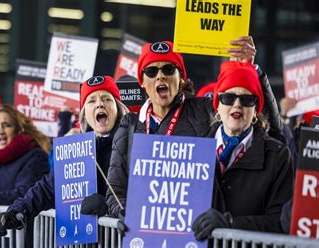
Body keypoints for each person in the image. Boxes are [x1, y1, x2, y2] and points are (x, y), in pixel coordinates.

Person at [106, 37, 283, 220]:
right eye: (151, 71)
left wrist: (250, 72)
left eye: (168, 69)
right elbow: (116, 189)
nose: (160, 76)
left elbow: (268, 129)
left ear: (181, 77)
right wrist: (127, 214)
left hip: (193, 233)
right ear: (142, 81)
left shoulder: (206, 110)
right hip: (145, 234)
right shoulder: (129, 125)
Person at [0, 76, 129, 237]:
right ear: (85, 115)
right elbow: (48, 188)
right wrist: (15, 212)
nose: (99, 103)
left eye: (107, 99)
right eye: (91, 101)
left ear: (118, 108)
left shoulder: (133, 142)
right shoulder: (76, 148)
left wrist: (107, 208)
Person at [192, 61, 294, 240]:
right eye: (228, 97)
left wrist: (231, 224)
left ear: (256, 110)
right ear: (217, 105)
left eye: (247, 99)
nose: (237, 105)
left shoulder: (278, 156)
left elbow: (280, 222)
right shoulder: (192, 148)